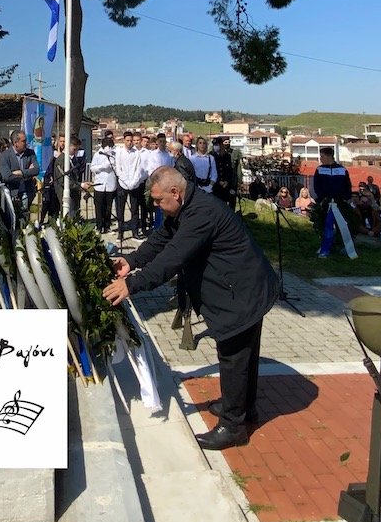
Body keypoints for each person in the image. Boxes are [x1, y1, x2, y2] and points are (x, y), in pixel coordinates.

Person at [102, 166, 279, 449]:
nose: (155, 204)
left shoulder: (201, 214)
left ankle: (233, 426)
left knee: (235, 355)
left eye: (159, 200)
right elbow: (163, 238)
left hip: (242, 292)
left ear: (175, 192)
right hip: (241, 288)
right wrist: (132, 261)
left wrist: (132, 285)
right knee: (242, 355)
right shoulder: (185, 207)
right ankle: (244, 407)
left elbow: (173, 257)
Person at [312, 146, 354, 258]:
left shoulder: (342, 169)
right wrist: (322, 198)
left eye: (322, 156)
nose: (321, 159)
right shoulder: (319, 169)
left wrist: (345, 197)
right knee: (327, 225)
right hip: (326, 202)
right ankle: (325, 248)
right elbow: (317, 186)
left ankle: (344, 246)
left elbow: (347, 185)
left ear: (329, 156)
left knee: (343, 225)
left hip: (340, 202)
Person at [0, 130, 40, 219]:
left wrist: (21, 172)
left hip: (28, 192)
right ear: (16, 143)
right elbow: (7, 176)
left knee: (27, 220)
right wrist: (27, 174)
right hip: (13, 194)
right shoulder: (4, 156)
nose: (26, 143)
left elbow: (36, 170)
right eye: (23, 141)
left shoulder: (30, 153)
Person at [114, 131, 146, 241]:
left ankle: (135, 231)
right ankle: (120, 232)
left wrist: (133, 182)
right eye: (127, 140)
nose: (129, 143)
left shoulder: (136, 153)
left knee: (134, 209)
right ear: (124, 140)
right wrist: (125, 181)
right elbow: (118, 169)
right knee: (120, 208)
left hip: (134, 184)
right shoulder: (119, 153)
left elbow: (138, 169)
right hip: (123, 184)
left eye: (131, 141)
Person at [90, 133, 118, 234]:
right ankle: (99, 226)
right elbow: (92, 168)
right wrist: (103, 166)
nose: (108, 148)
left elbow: (117, 167)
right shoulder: (98, 154)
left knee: (108, 207)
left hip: (111, 184)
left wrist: (113, 164)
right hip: (100, 184)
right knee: (99, 207)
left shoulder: (114, 154)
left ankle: (107, 226)